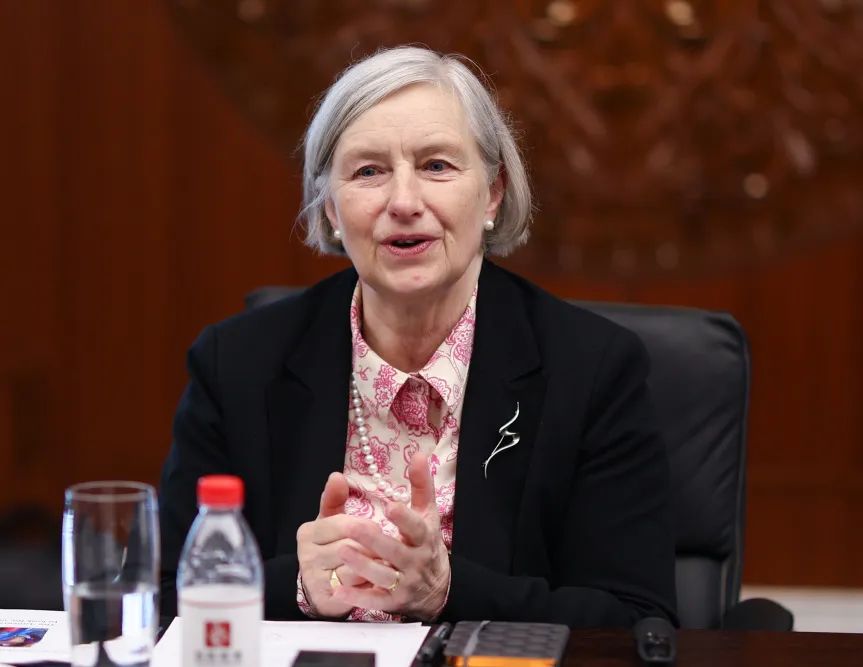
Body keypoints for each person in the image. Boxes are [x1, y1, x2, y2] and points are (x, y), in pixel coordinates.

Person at [158, 45, 677, 627]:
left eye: (436, 166)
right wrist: (296, 587)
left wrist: (447, 592)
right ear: (331, 209)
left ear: (493, 193)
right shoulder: (237, 364)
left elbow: (637, 621)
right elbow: (162, 597)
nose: (404, 202)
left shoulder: (592, 371)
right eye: (368, 172)